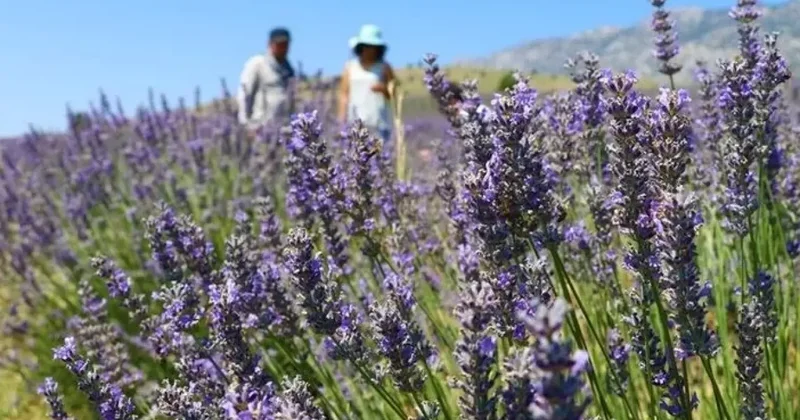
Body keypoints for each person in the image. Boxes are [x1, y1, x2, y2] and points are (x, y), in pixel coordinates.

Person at [337, 24, 395, 144]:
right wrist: (341, 122)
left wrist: (384, 89)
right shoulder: (350, 67)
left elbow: (395, 94)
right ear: (360, 47)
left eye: (373, 46)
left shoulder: (384, 67)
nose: (370, 50)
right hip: (355, 124)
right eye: (367, 46)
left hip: (379, 123)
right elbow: (344, 95)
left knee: (381, 154)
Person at [237, 27, 296, 129]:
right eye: (279, 44)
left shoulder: (289, 69)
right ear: (270, 44)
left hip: (283, 127)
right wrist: (245, 123)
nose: (283, 48)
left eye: (285, 44)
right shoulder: (257, 64)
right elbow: (245, 93)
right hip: (260, 126)